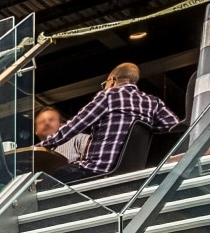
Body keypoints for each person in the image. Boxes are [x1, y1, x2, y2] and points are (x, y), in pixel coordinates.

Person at [52, 62, 181, 178]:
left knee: (51, 177)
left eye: (105, 84)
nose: (104, 88)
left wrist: (40, 146)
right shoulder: (154, 102)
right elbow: (174, 126)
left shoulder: (108, 96)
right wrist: (149, 128)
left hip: (97, 171)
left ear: (112, 81)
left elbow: (75, 126)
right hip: (130, 171)